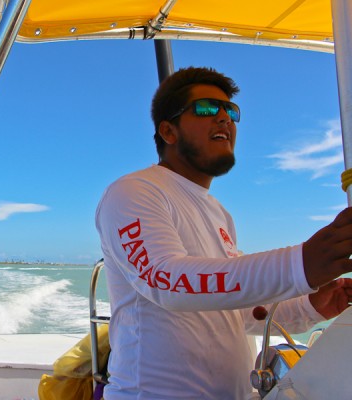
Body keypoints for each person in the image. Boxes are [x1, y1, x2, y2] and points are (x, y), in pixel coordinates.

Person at [95, 66, 352, 399]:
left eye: (230, 111)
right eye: (205, 108)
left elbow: (240, 312)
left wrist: (312, 306)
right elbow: (165, 280)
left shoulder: (220, 213)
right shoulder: (134, 191)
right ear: (169, 131)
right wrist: (299, 265)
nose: (223, 118)